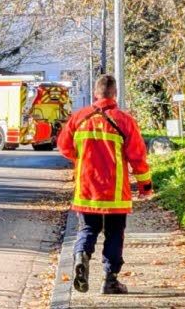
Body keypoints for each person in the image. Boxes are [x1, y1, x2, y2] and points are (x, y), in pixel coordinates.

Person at [57, 74, 152, 295]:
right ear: (115, 93)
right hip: (115, 190)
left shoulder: (79, 118)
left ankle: (81, 255)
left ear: (95, 93)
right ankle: (110, 280)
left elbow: (64, 146)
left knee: (88, 229)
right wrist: (145, 185)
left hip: (87, 189)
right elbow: (138, 156)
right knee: (114, 233)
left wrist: (80, 158)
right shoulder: (124, 120)